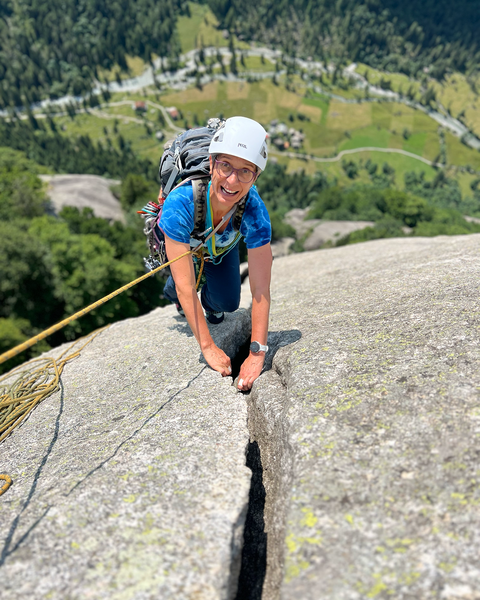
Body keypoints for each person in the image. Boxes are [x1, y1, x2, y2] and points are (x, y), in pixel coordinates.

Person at [158, 116, 272, 391]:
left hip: (220, 251)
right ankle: (171, 296)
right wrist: (207, 346)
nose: (233, 180)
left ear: (255, 177)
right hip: (187, 247)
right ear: (211, 164)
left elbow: (260, 288)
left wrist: (257, 353)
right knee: (178, 289)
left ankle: (210, 303)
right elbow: (187, 288)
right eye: (225, 165)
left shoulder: (254, 211)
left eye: (246, 171)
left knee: (228, 302)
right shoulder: (180, 203)